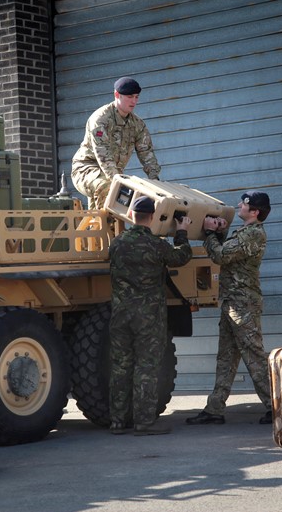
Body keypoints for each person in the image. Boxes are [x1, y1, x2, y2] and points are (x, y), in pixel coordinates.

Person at [186, 191, 273, 426]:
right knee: (226, 358)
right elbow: (229, 250)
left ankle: (277, 406)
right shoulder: (244, 232)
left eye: (244, 204)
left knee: (254, 355)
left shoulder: (253, 234)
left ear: (254, 211)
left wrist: (209, 233)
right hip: (232, 302)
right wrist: (220, 232)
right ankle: (214, 408)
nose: (238, 206)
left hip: (243, 305)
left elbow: (222, 256)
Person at [109, 196, 192, 436]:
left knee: (120, 366)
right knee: (146, 367)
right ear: (153, 217)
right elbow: (181, 257)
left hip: (121, 314)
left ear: (132, 215)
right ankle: (144, 421)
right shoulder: (156, 245)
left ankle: (117, 422)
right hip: (148, 316)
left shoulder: (117, 244)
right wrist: (182, 232)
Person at [71, 77, 162, 210]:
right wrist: (117, 181)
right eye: (130, 96)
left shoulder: (137, 124)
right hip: (86, 169)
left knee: (123, 195)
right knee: (111, 189)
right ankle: (108, 229)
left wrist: (156, 182)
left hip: (112, 174)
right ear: (117, 95)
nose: (134, 101)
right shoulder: (101, 119)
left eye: (136, 97)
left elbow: (146, 153)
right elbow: (103, 155)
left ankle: (109, 229)